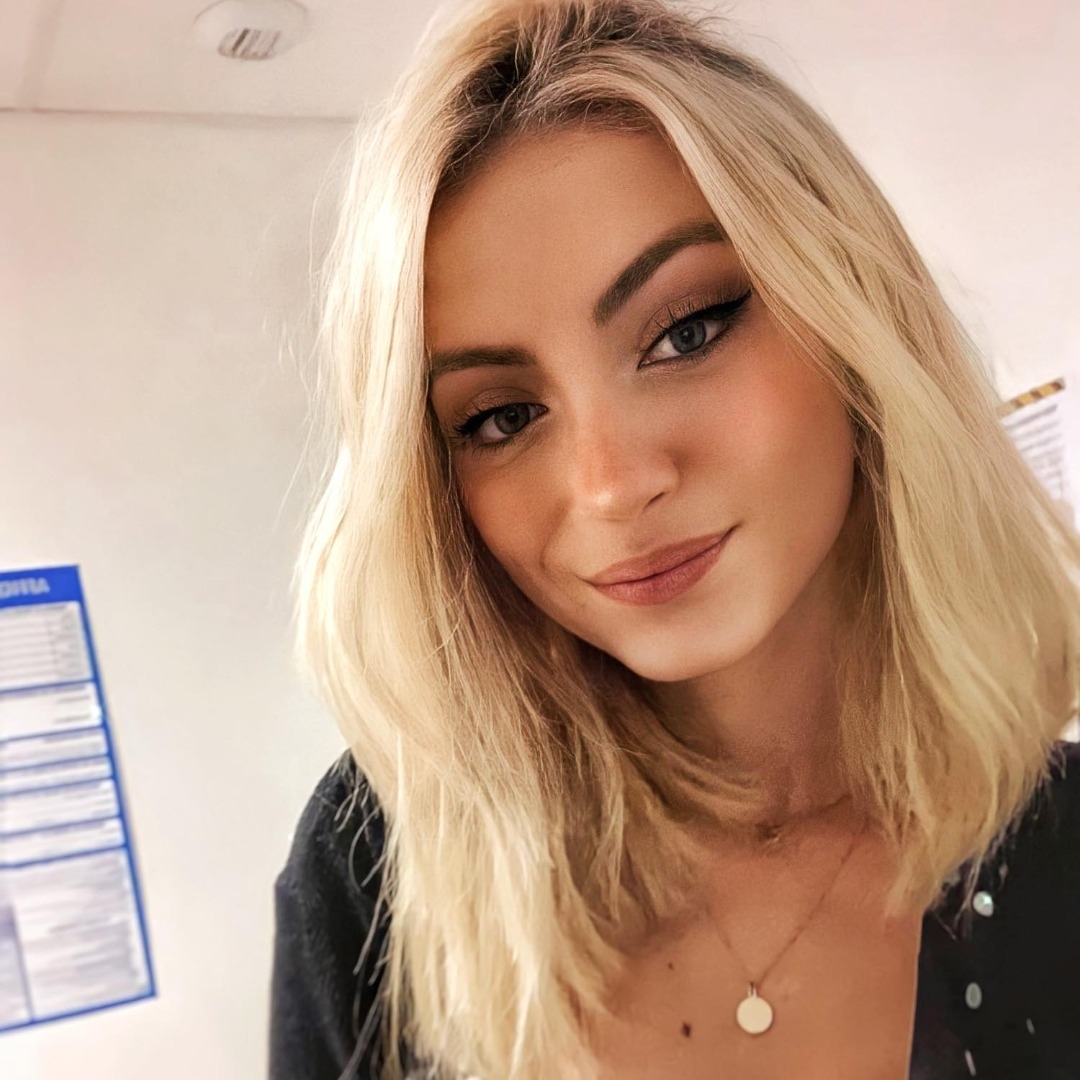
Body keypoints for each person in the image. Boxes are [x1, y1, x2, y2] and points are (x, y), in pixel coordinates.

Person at [268, 1, 1080, 1078]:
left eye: (685, 331)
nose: (610, 486)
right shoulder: (381, 867)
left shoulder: (1060, 851)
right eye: (501, 418)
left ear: (854, 313)